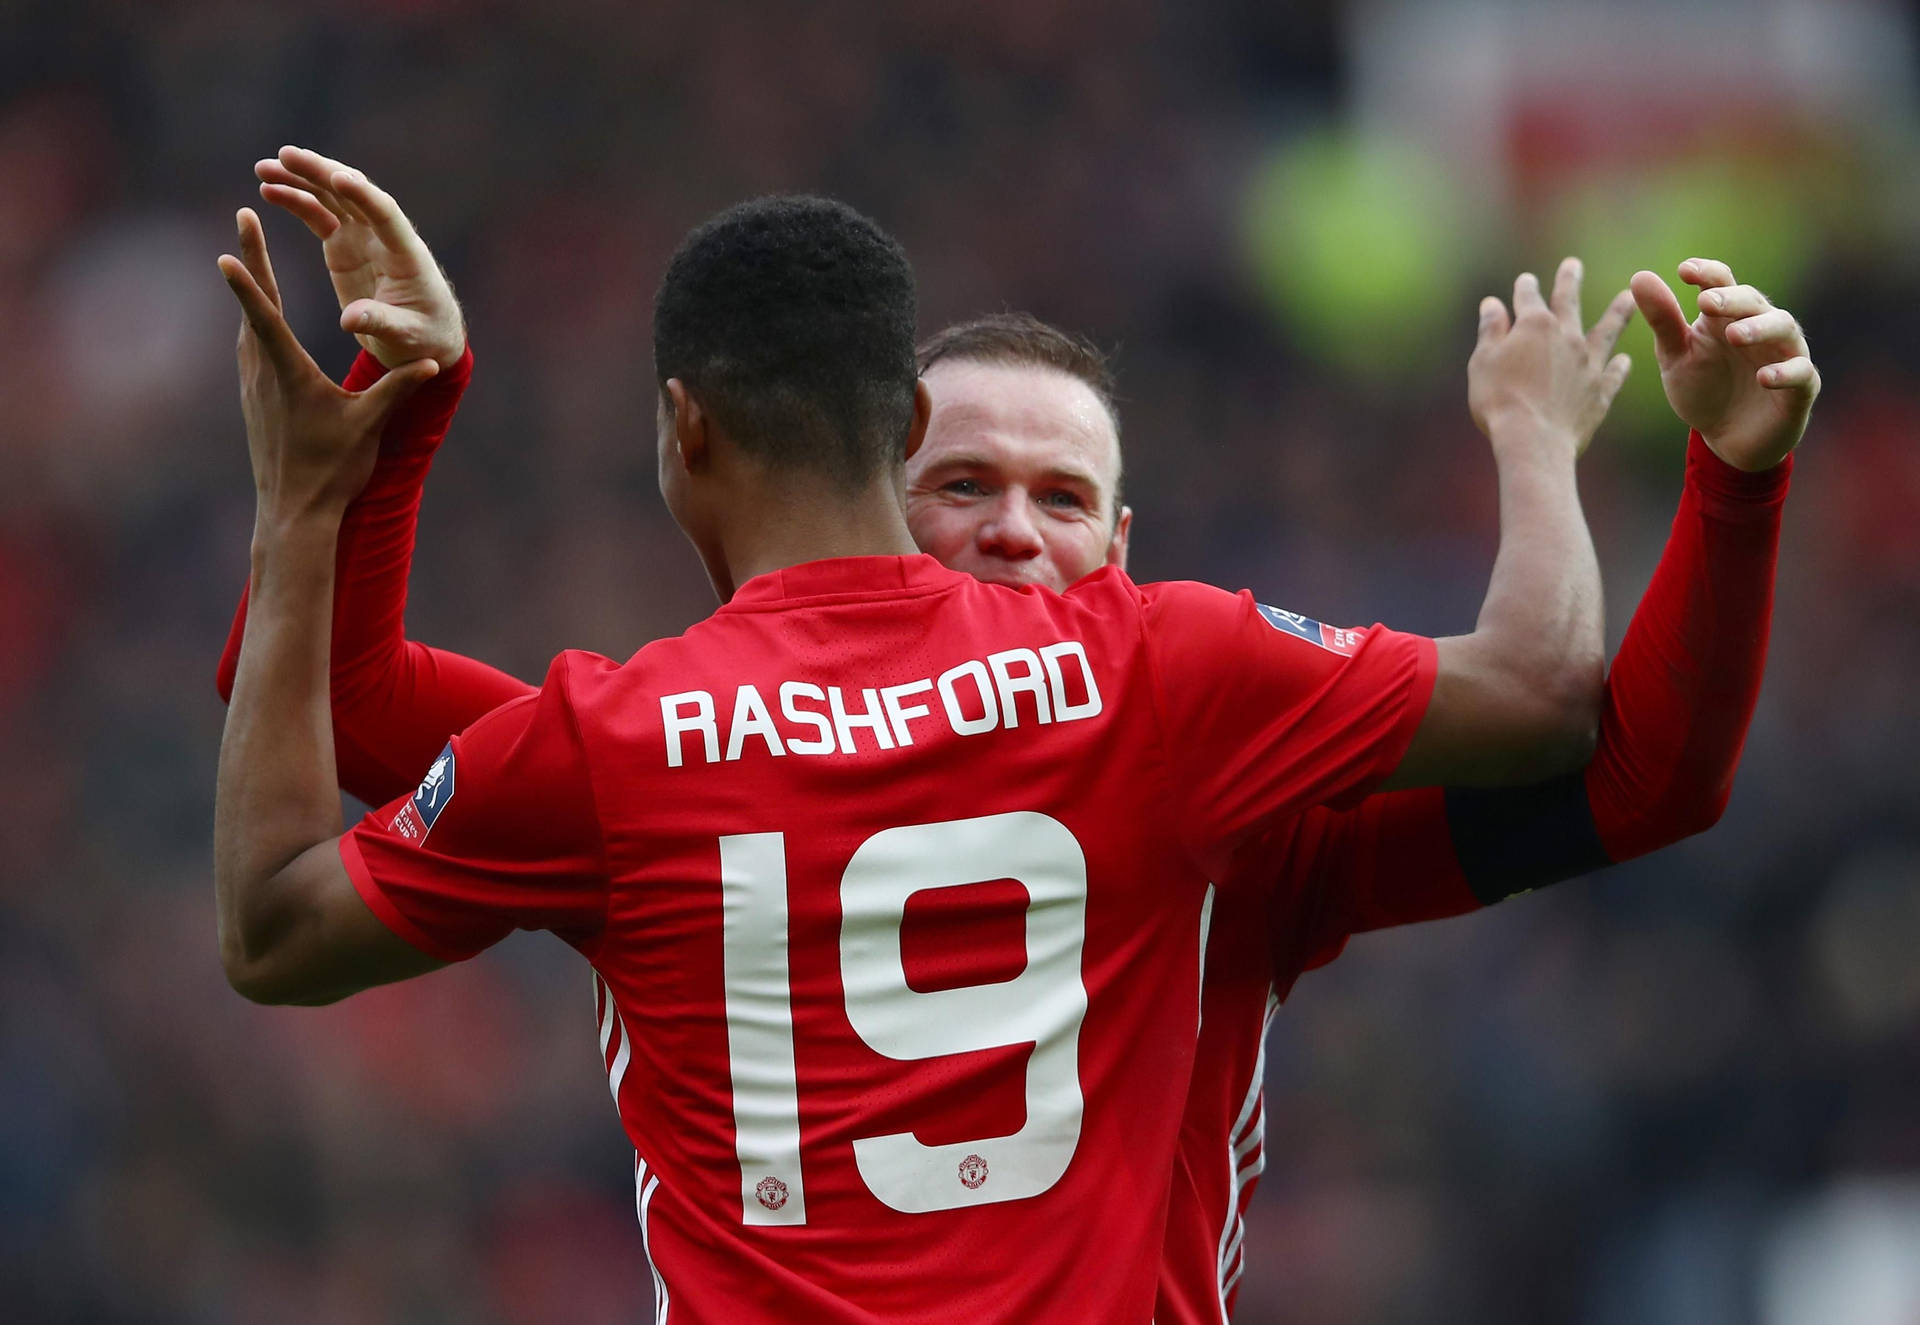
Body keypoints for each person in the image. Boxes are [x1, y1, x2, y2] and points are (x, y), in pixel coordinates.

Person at [215, 149, 1816, 1321]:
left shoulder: (648, 756)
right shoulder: (1128, 691)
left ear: (1127, 538)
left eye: (1060, 498)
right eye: (965, 488)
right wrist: (1549, 443)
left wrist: (1733, 487)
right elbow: (1574, 719)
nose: (1011, 530)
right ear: (875, 480)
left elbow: (1637, 780)